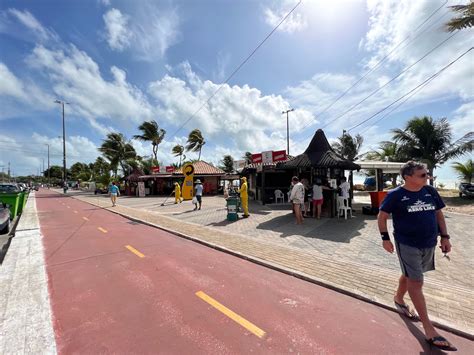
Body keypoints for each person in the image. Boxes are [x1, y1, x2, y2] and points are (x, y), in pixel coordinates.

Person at [377, 161, 456, 352]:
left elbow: (438, 215)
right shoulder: (395, 195)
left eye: (426, 174)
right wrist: (385, 239)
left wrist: (445, 237)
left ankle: (398, 298)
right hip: (407, 243)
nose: (427, 177)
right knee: (417, 281)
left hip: (429, 242)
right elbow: (382, 216)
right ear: (408, 177)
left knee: (410, 274)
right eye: (422, 174)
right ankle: (429, 330)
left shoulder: (429, 191)